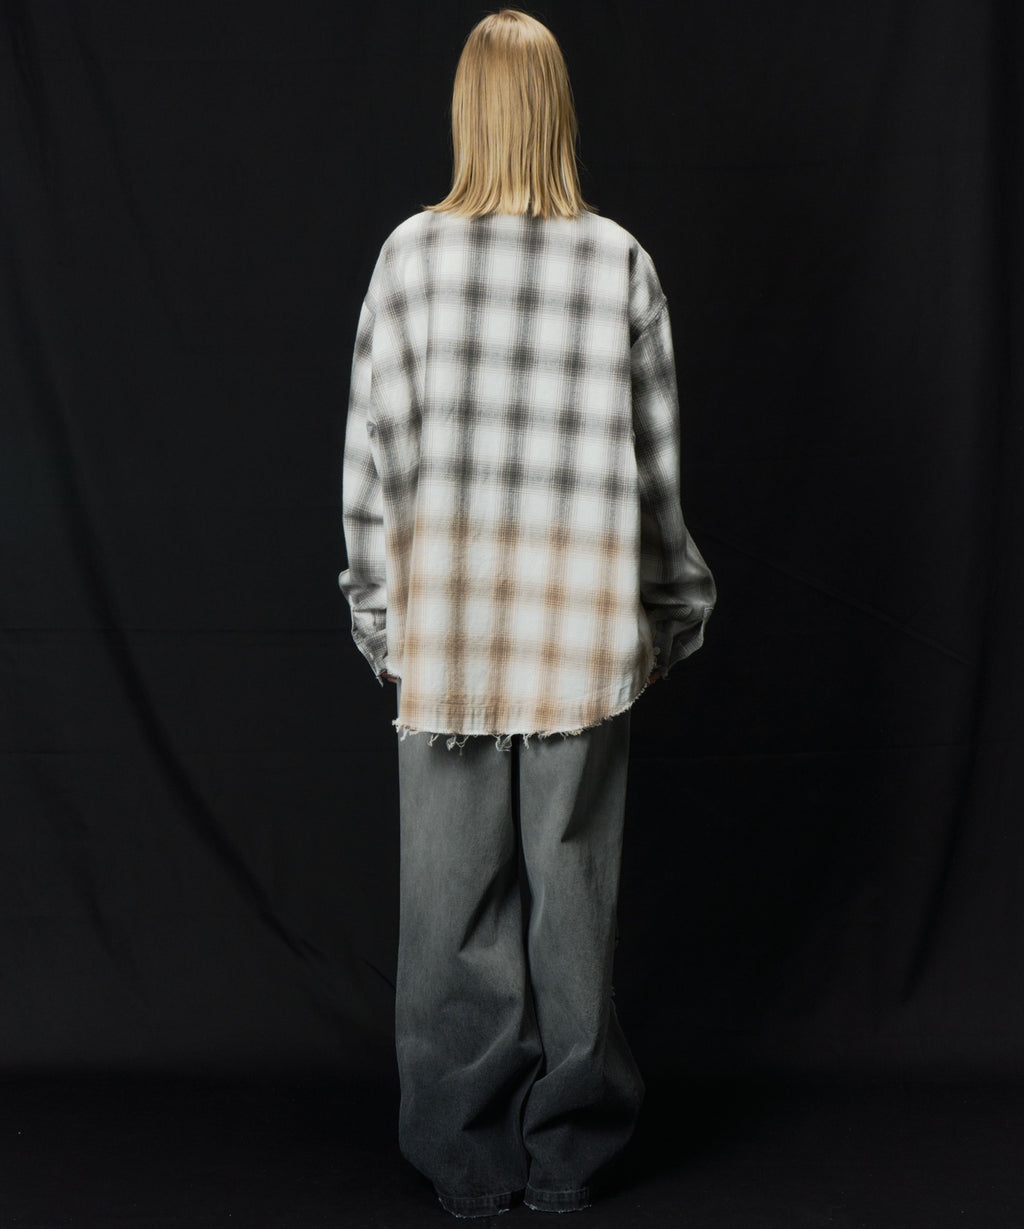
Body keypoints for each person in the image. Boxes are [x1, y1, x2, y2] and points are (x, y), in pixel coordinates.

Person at [338, 7, 716, 1218]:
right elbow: (655, 474)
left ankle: (464, 1160)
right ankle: (568, 1158)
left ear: (466, 110)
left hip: (449, 639)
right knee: (573, 904)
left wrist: (383, 623)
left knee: (453, 914)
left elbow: (369, 472)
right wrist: (670, 610)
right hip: (580, 635)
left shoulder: (408, 260)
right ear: (557, 112)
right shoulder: (618, 264)